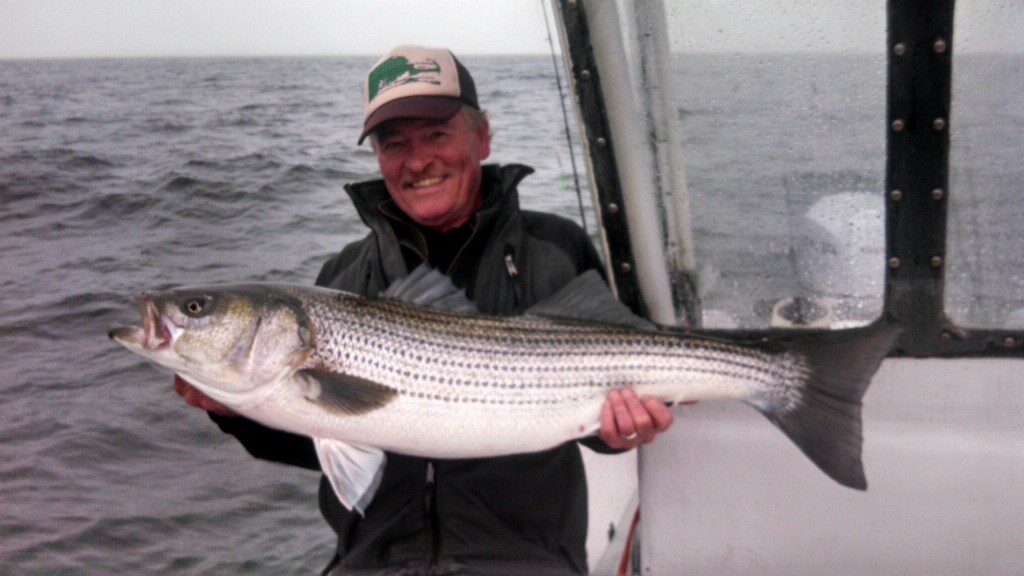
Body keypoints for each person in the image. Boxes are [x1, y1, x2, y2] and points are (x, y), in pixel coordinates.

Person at [174, 45, 675, 576]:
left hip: (522, 560)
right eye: (394, 144)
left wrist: (619, 431)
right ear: (377, 158)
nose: (417, 162)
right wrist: (232, 410)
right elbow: (318, 440)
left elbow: (613, 395)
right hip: (372, 562)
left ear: (482, 137)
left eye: (437, 135)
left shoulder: (554, 249)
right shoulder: (343, 276)